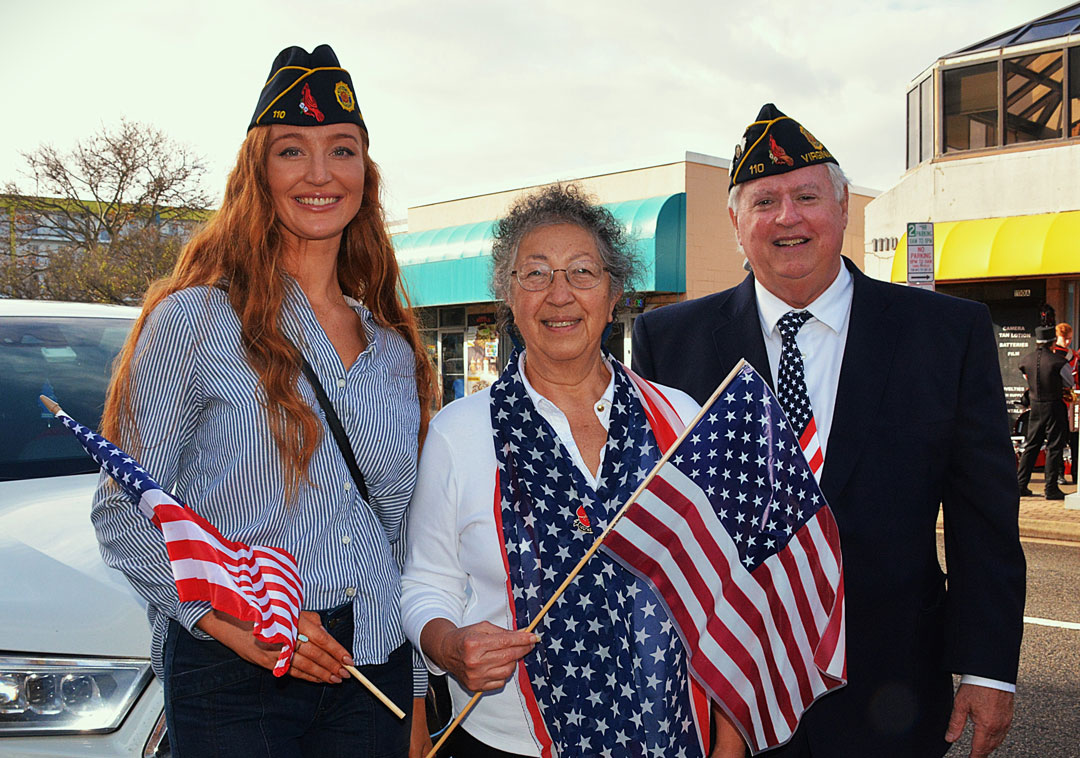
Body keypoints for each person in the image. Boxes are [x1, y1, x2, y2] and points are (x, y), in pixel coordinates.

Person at [631, 104, 1026, 758]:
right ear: (735, 223)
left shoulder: (945, 334)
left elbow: (982, 517)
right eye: (764, 201)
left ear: (844, 208)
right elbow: (661, 525)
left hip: (891, 687)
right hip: (728, 693)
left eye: (807, 196)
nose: (788, 217)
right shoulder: (670, 342)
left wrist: (987, 668)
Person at [92, 44, 436, 757]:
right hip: (236, 678)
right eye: (291, 151)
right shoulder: (194, 321)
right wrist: (236, 622)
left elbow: (405, 538)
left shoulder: (395, 352)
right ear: (259, 171)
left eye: (341, 150)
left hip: (370, 670)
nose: (319, 173)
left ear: (363, 177)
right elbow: (123, 509)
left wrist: (419, 692)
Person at [401, 184, 743, 758]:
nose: (559, 294)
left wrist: (728, 747)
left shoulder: (680, 420)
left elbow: (726, 595)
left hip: (667, 734)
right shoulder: (459, 434)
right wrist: (450, 643)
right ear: (508, 296)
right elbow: (425, 584)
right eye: (535, 274)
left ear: (613, 295)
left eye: (582, 272)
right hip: (511, 740)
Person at [1017, 326, 1072, 499]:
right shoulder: (1059, 361)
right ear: (1053, 342)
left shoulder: (1026, 360)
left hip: (1035, 406)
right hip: (1054, 405)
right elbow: (1069, 382)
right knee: (1054, 447)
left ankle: (1020, 485)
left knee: (1031, 446)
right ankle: (1051, 488)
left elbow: (1026, 376)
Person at [1052, 322, 1078, 485]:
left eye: (1069, 339)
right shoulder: (1052, 354)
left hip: (1072, 401)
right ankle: (1059, 473)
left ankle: (1075, 472)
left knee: (1074, 439)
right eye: (1064, 339)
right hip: (1056, 399)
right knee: (1058, 440)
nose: (1067, 342)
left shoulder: (1073, 355)